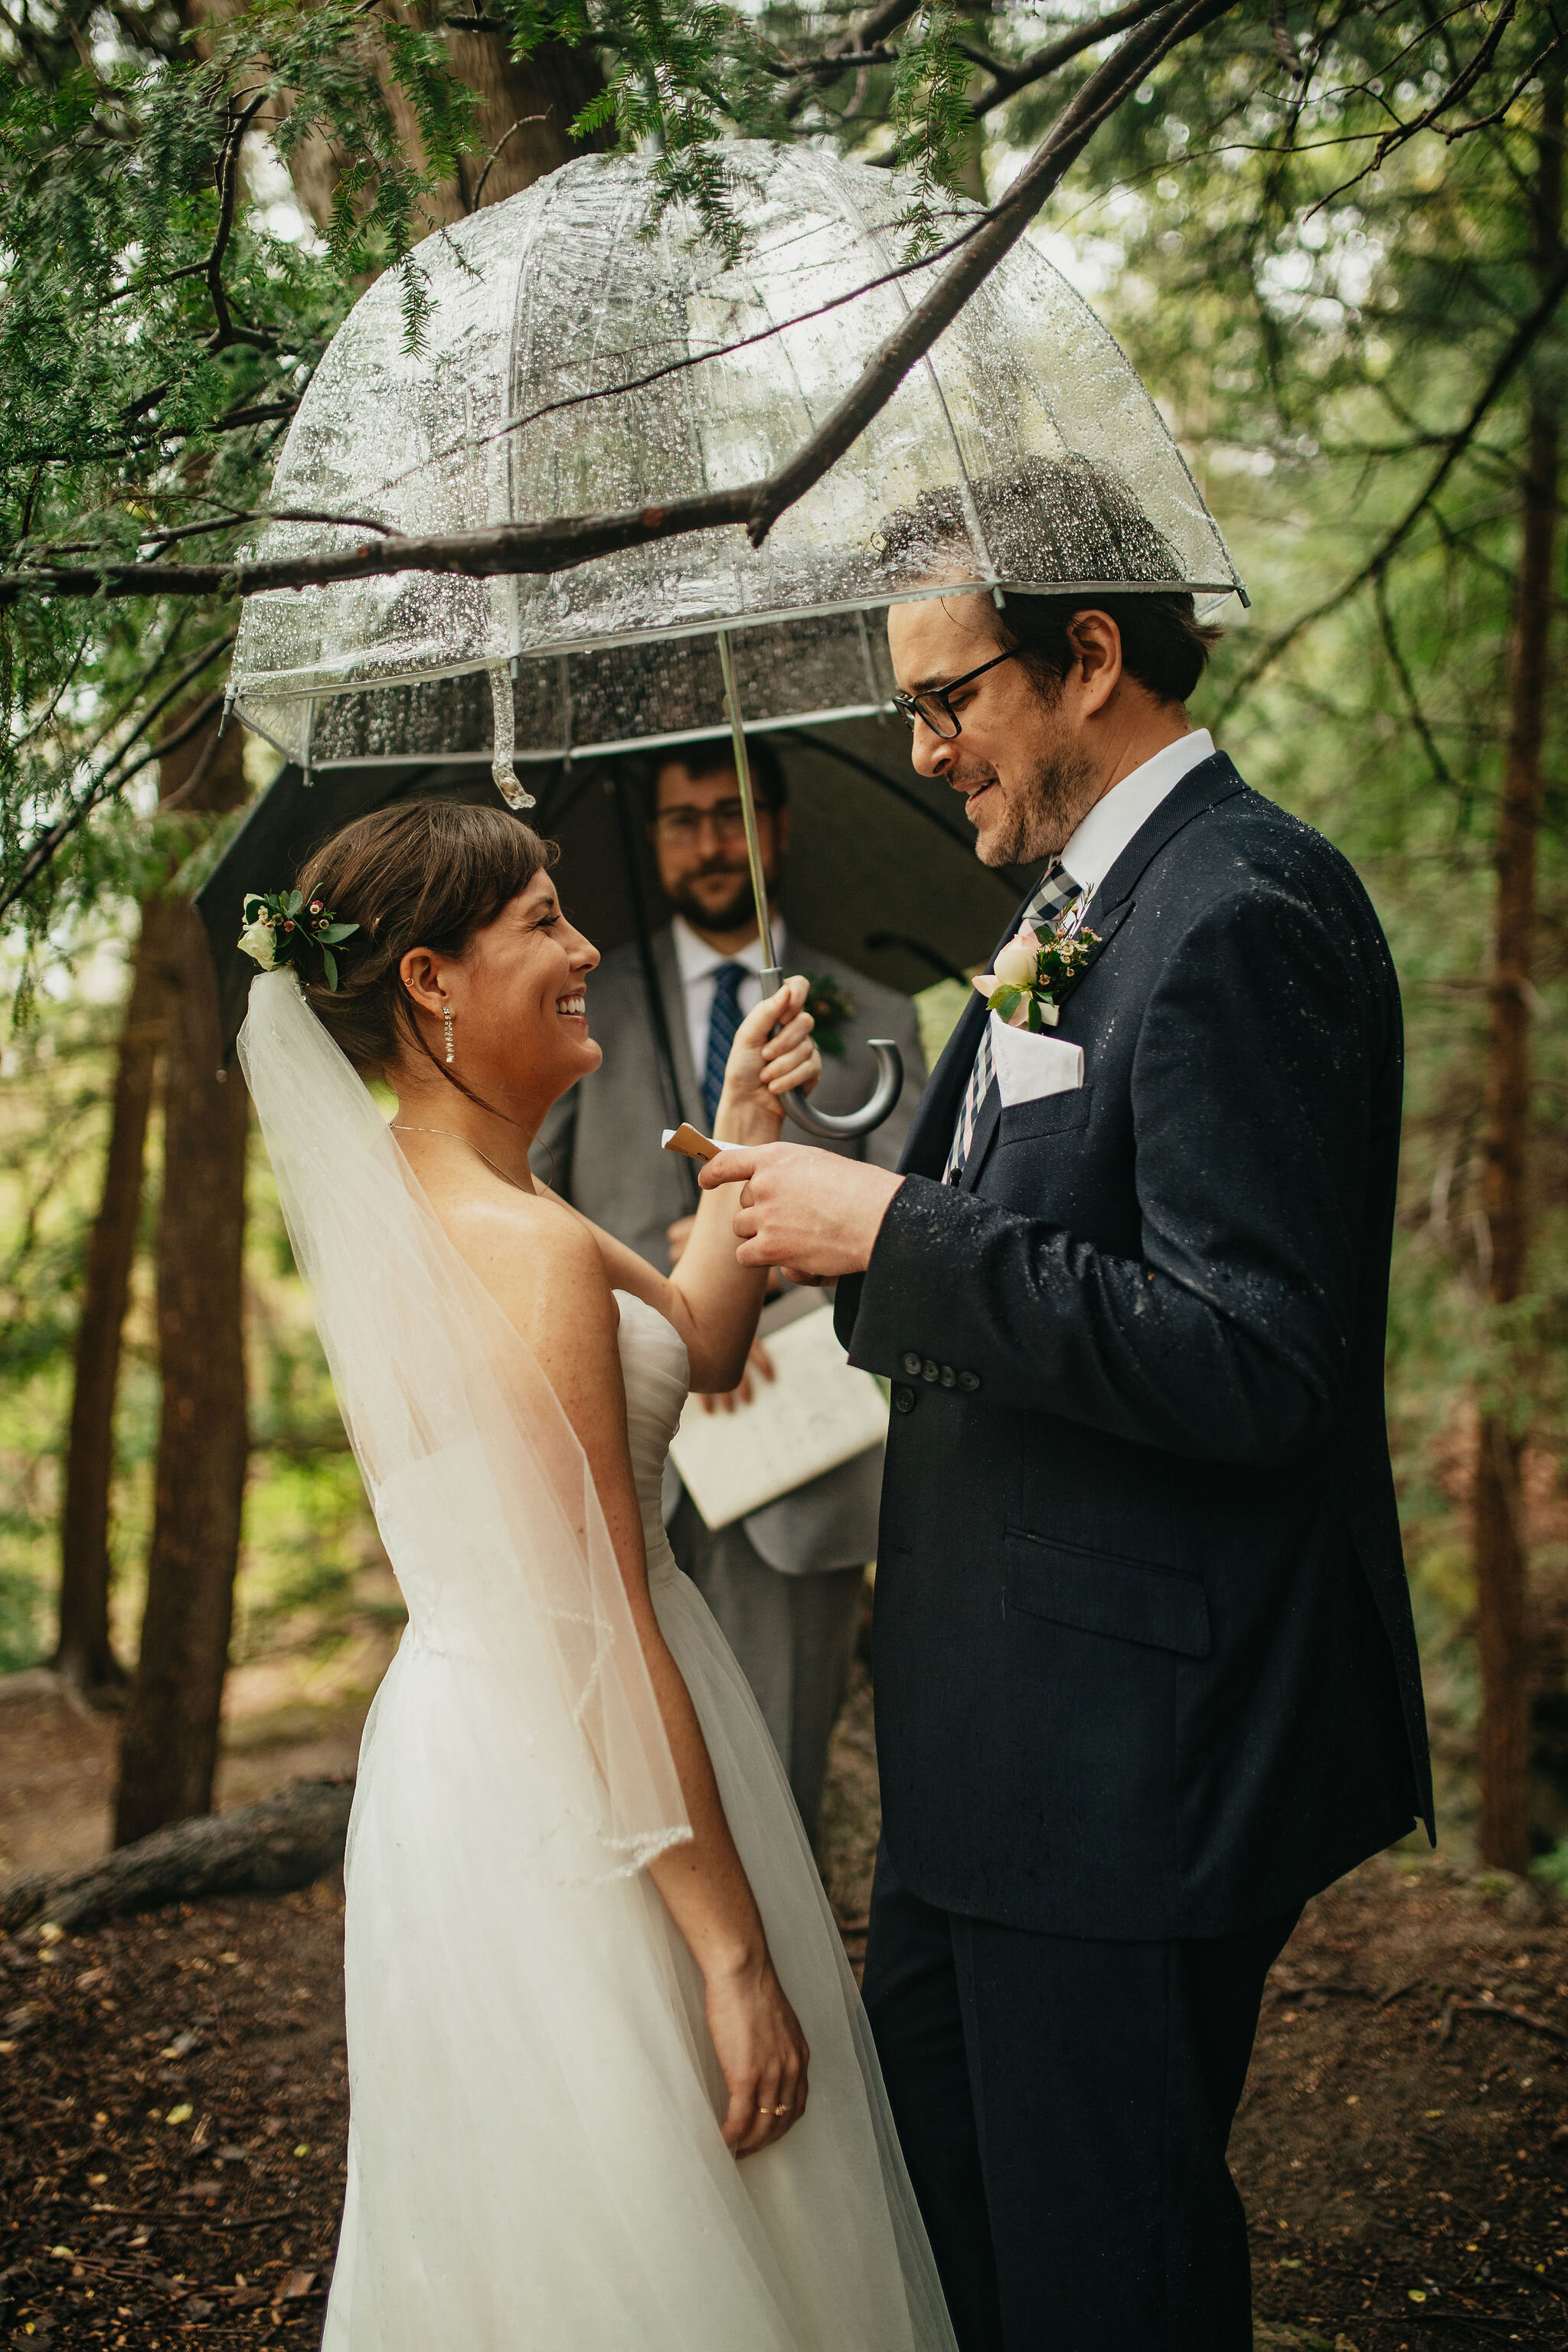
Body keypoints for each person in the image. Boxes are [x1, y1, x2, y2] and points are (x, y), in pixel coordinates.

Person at [698, 556, 1434, 2350]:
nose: (928, 749)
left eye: (946, 700)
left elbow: (1256, 1358)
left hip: (1128, 1764)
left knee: (1107, 2276)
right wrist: (846, 1220)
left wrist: (896, 1232)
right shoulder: (1077, 911)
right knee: (956, 2239)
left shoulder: (1240, 908)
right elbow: (1003, 1258)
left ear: (1087, 656)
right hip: (994, 1750)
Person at [236, 802, 956, 2352]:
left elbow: (697, 1341)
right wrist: (737, 1951)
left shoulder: (442, 1198)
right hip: (592, 1753)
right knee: (676, 2174)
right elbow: (605, 1615)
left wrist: (743, 1116)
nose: (583, 953)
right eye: (544, 925)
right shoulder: (529, 1246)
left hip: (467, 1750)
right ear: (429, 981)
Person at [534, 735, 925, 1848]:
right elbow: (528, 1198)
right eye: (682, 818)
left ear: (777, 829)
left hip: (796, 1455)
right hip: (624, 1451)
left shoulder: (876, 1012)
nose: (711, 841)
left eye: (732, 814)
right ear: (650, 840)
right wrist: (660, 1288)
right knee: (635, 1797)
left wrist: (775, 1251)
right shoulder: (576, 1008)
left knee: (776, 1793)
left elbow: (928, 1220)